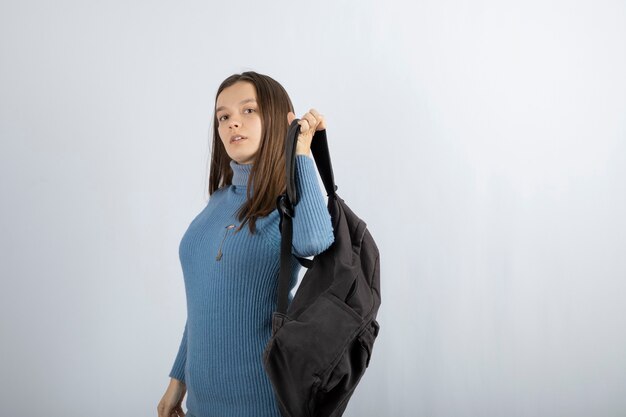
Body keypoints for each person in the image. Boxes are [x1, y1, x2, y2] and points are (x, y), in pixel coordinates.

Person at [157, 71, 335, 417]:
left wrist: (300, 152)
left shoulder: (287, 202)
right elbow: (203, 305)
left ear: (277, 118)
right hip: (202, 403)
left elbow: (316, 240)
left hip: (262, 402)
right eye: (223, 117)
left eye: (248, 111)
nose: (232, 124)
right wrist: (177, 381)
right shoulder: (218, 201)